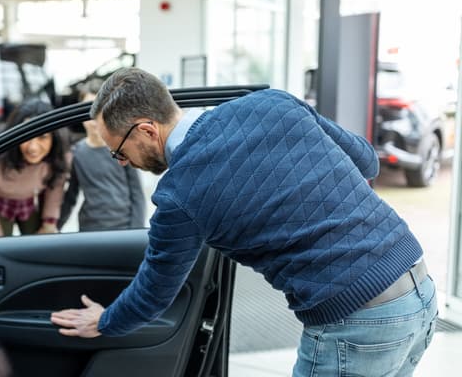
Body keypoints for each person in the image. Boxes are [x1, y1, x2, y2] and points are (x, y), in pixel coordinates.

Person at [50, 67, 437, 376]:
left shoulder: (179, 193)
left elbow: (155, 289)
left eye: (120, 151)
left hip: (359, 321)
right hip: (418, 287)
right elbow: (367, 161)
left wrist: (105, 321)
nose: (123, 162)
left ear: (147, 130)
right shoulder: (272, 103)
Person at [0, 99, 69, 237]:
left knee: (39, 247)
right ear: (15, 134)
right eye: (27, 136)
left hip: (28, 203)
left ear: (54, 138)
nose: (33, 147)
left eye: (43, 137)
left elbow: (55, 189)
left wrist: (49, 224)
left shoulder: (58, 156)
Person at [59, 79, 146, 232]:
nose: (93, 117)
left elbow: (137, 194)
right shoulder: (77, 153)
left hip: (123, 228)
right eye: (88, 108)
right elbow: (70, 196)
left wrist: (135, 232)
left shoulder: (122, 147)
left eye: (100, 110)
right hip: (89, 229)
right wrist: (54, 226)